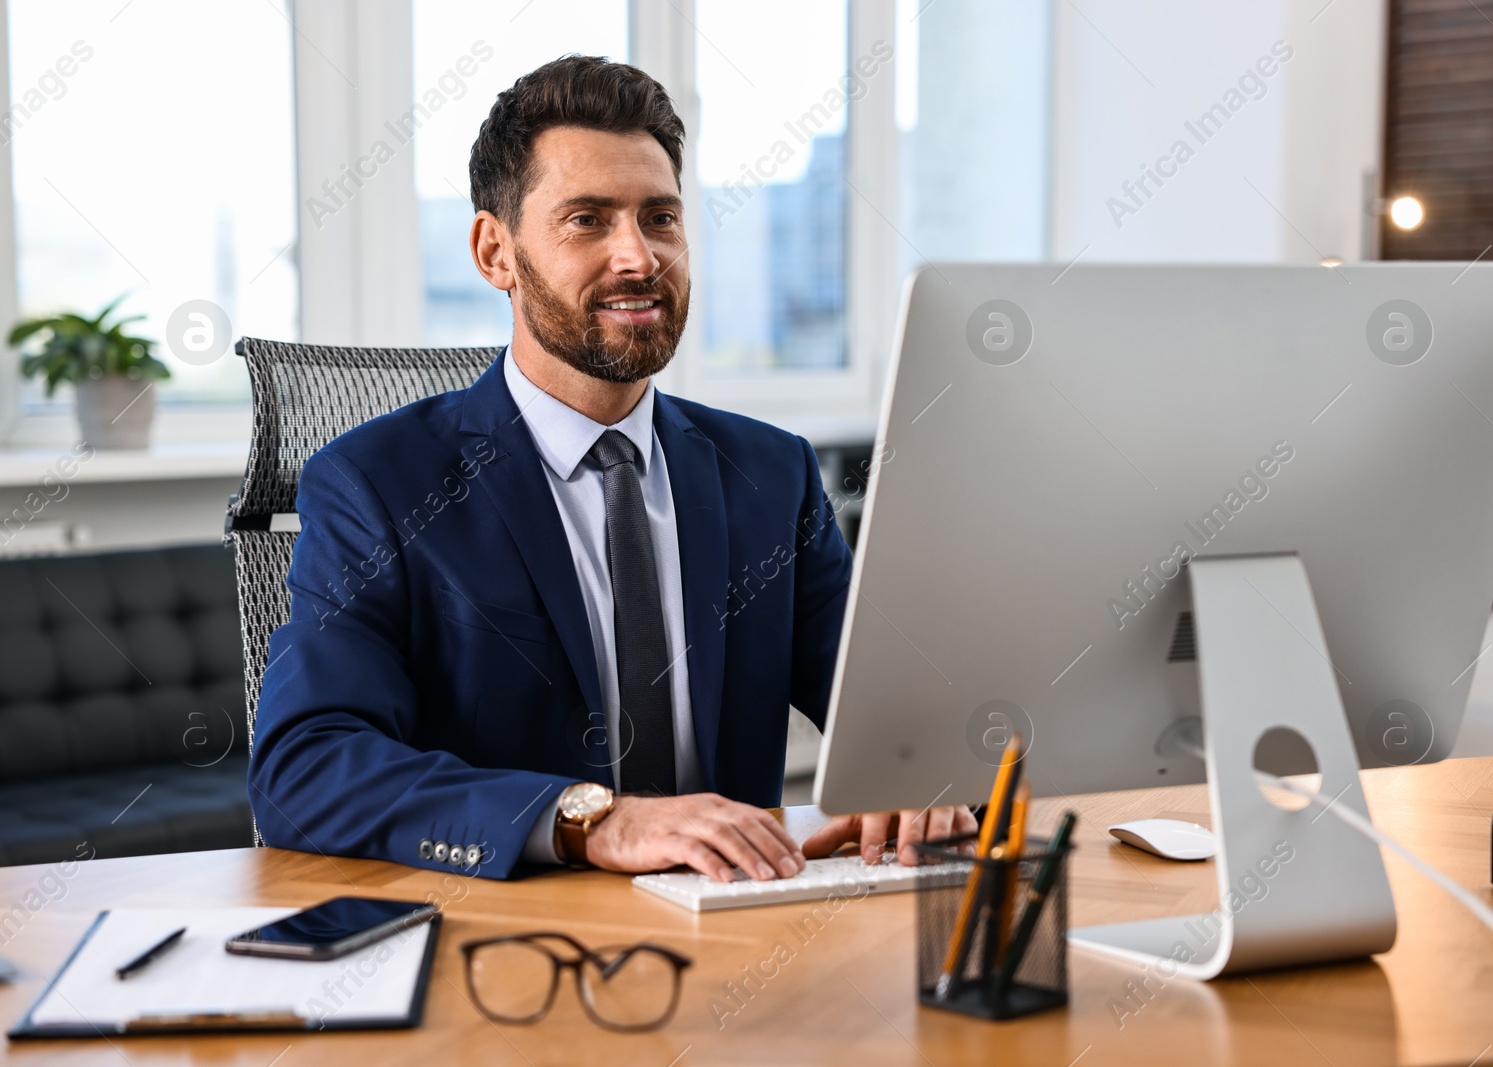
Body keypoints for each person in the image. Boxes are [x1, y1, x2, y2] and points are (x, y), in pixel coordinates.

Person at [248, 54, 975, 882]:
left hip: (739, 935)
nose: (639, 257)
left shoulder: (772, 474)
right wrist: (592, 819)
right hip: (517, 949)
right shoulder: (377, 483)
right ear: (496, 252)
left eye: (660, 218)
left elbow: (890, 713)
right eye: (588, 219)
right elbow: (303, 768)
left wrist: (924, 772)